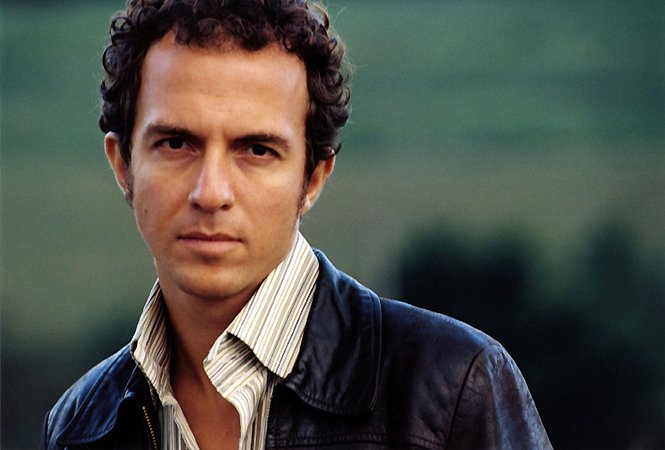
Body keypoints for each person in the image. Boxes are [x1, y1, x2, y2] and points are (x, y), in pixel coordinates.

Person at [42, 0, 552, 449]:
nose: (211, 193)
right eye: (176, 143)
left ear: (312, 178)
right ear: (123, 165)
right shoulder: (80, 426)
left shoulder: (452, 389)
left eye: (257, 150)